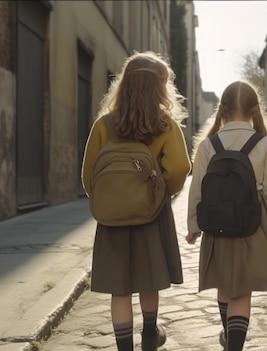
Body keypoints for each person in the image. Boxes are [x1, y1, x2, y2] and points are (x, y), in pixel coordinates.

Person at [81, 51, 191, 351]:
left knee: (120, 289)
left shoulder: (104, 125)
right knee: (148, 280)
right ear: (160, 88)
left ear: (125, 84)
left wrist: (111, 198)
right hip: (152, 214)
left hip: (113, 219)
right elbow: (181, 167)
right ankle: (151, 334)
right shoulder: (165, 125)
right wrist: (162, 193)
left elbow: (88, 175)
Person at [186, 81, 267, 351]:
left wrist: (194, 225)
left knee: (225, 283)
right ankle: (234, 345)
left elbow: (197, 190)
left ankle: (229, 335)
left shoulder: (208, 145)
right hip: (253, 223)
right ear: (255, 110)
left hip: (216, 224)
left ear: (223, 110)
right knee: (242, 290)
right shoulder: (265, 144)